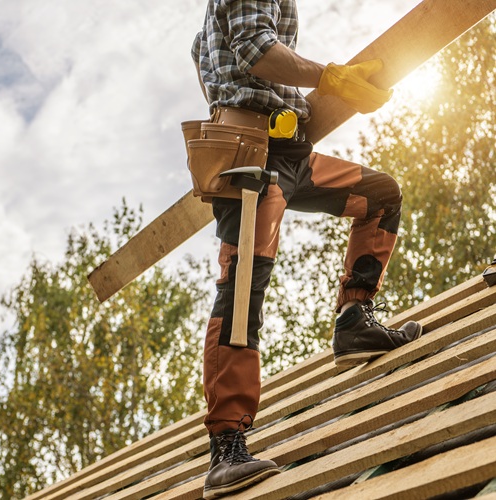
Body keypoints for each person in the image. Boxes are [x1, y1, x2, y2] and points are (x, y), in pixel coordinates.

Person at [190, 1, 423, 498]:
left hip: (289, 150)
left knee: (380, 196)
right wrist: (331, 78)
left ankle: (353, 321)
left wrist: (284, 96)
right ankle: (226, 446)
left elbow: (204, 51)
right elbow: (256, 51)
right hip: (250, 154)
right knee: (243, 288)